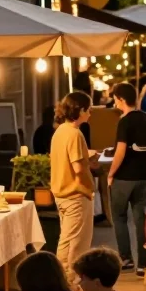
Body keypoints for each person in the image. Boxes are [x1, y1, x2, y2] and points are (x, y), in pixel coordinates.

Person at [108, 82, 146, 275]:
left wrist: (111, 173)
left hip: (124, 177)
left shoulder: (124, 121)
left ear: (121, 99)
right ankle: (143, 264)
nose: (115, 103)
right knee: (140, 220)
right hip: (142, 176)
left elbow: (120, 151)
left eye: (115, 99)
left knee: (119, 217)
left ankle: (125, 258)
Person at [49, 91, 96, 274]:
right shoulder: (75, 134)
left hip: (61, 193)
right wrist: (88, 188)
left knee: (67, 240)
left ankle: (63, 280)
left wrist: (87, 159)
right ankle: (71, 282)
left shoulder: (60, 131)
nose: (90, 113)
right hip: (75, 194)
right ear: (81, 110)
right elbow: (78, 168)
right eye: (89, 109)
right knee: (76, 244)